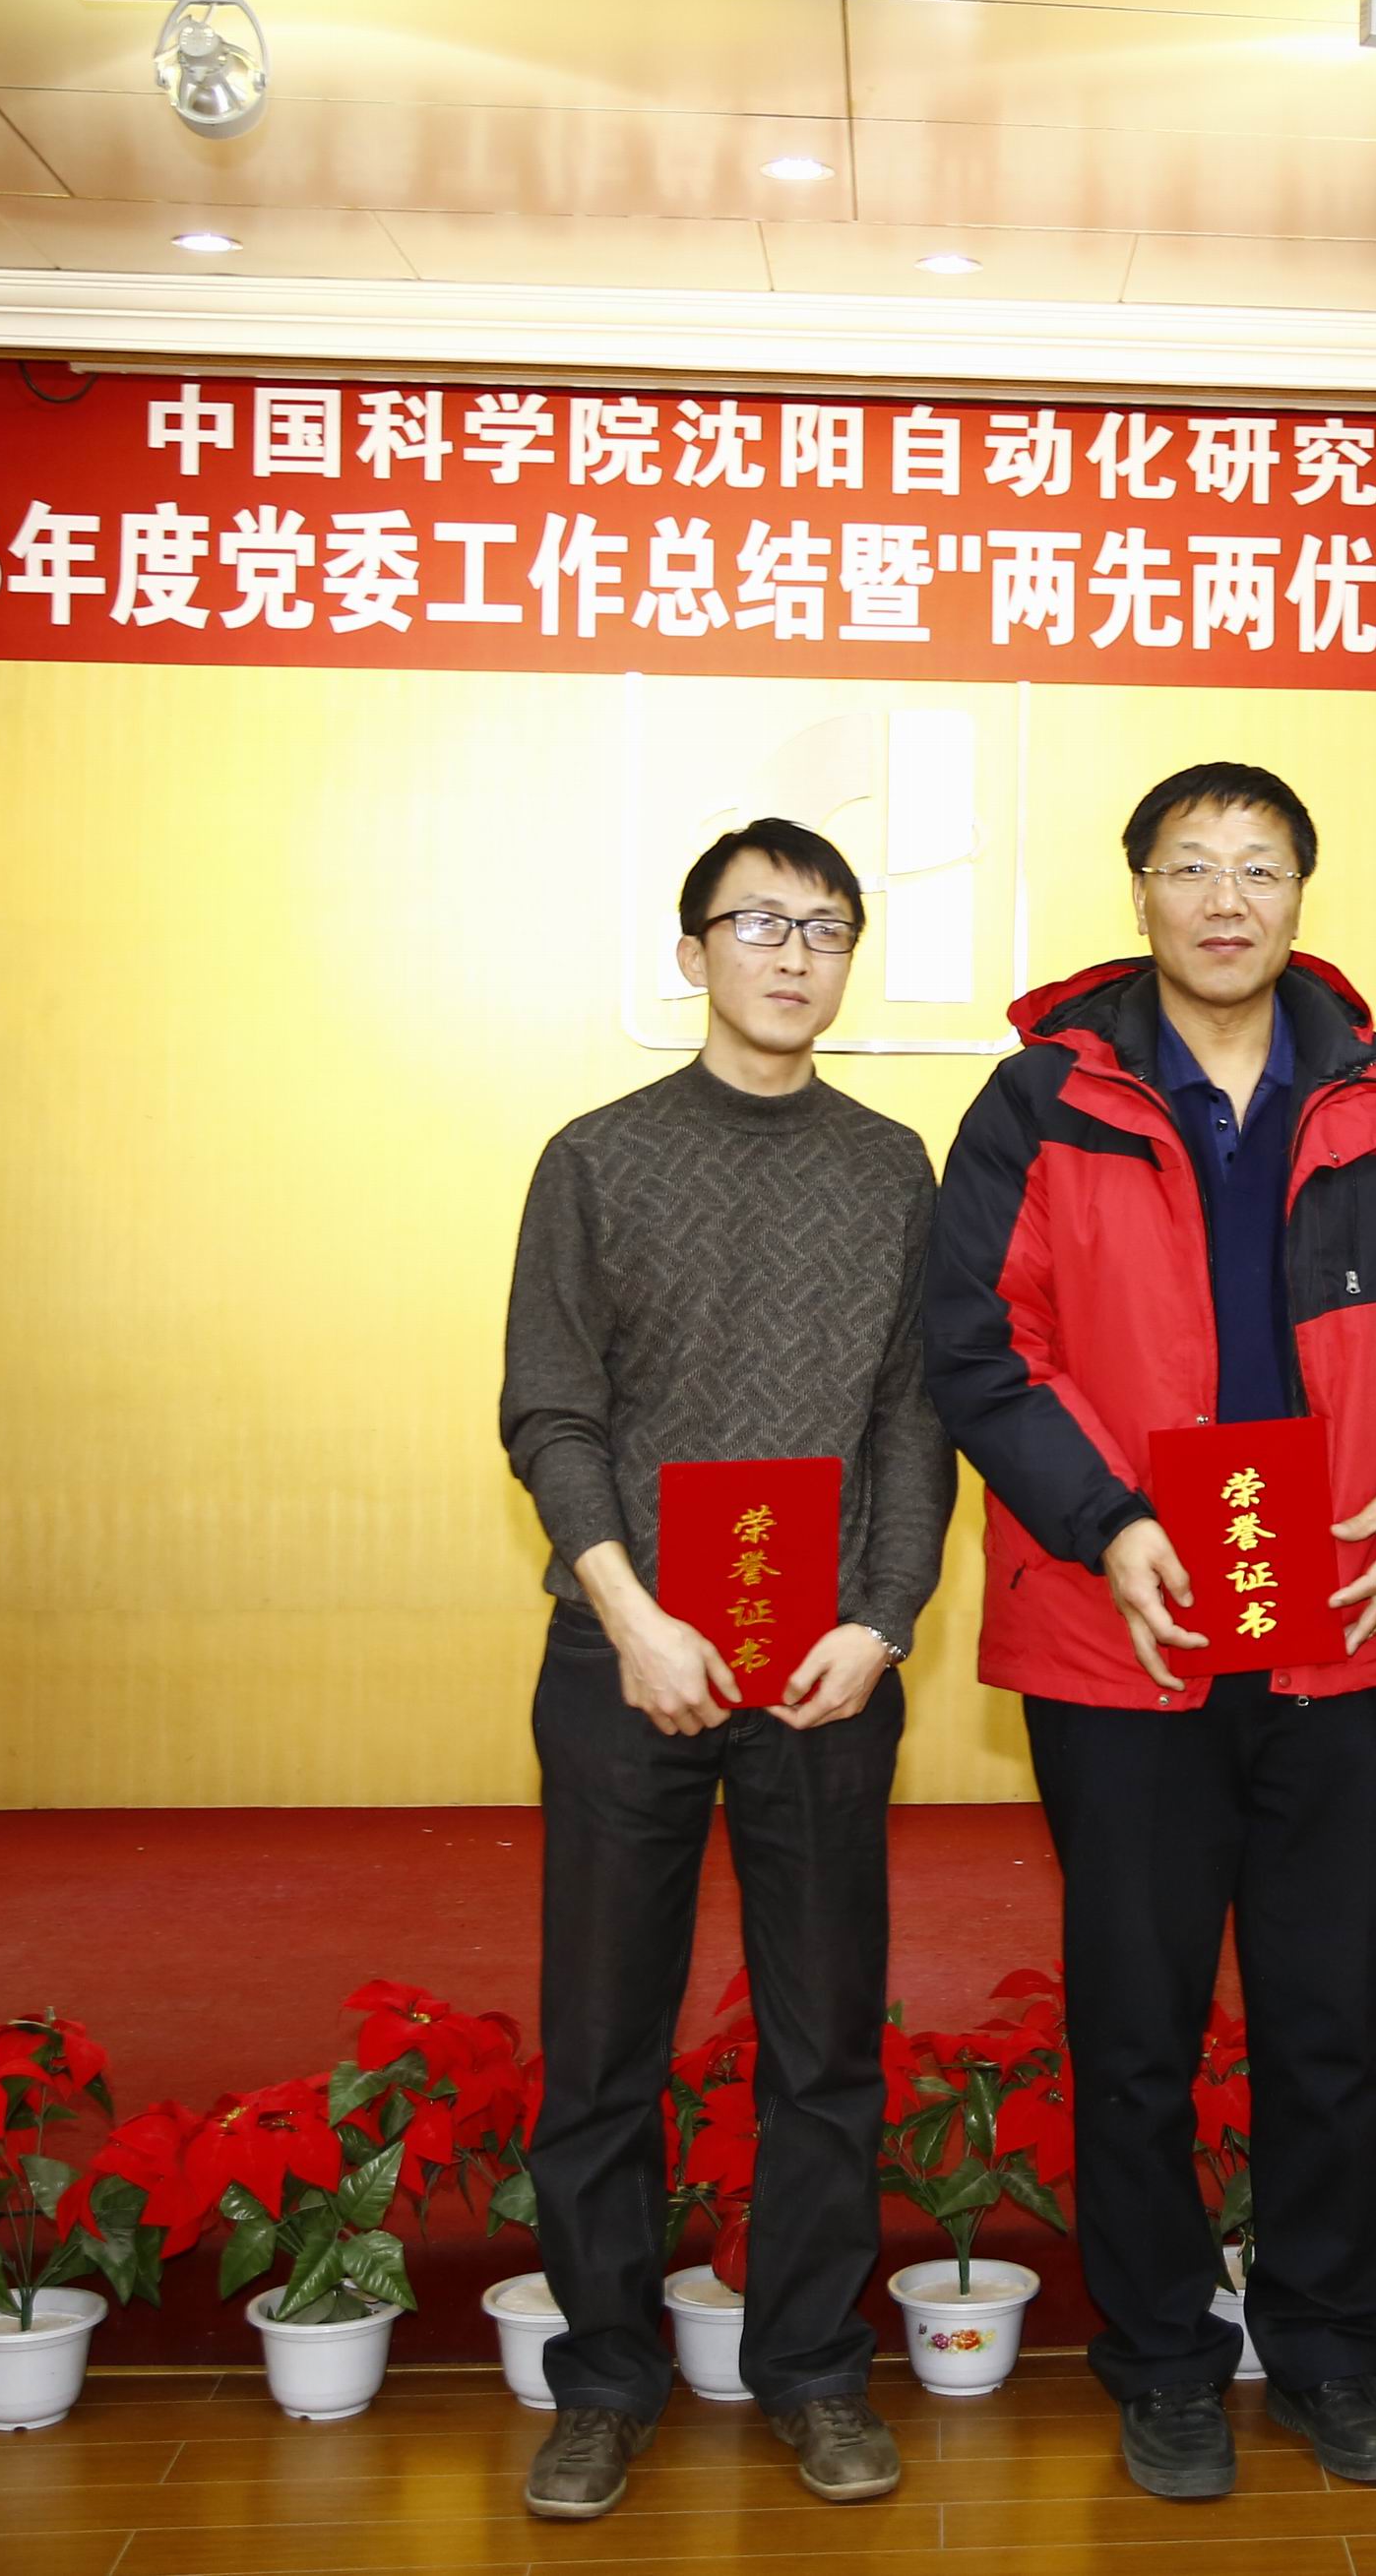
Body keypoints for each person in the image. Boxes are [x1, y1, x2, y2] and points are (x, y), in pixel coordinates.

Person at [924, 762, 1376, 2504]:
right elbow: (980, 1347)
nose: (1225, 899)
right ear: (1140, 894)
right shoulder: (1044, 1099)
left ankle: (1325, 2351)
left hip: (1334, 1626)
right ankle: (1162, 2358)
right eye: (1190, 867)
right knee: (1136, 2031)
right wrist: (1109, 1522)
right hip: (1127, 1633)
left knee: (1324, 2023)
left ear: (1302, 893)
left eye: (1258, 867)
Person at [498, 817, 956, 2522]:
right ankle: (604, 2382)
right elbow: (552, 1413)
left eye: (824, 927)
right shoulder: (597, 1157)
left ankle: (815, 2372)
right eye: (757, 923)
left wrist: (881, 1621)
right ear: (691, 952)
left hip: (821, 1666)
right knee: (601, 2041)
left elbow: (912, 1419)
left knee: (824, 2043)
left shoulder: (890, 1166)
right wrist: (631, 1618)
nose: (792, 954)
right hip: (624, 1654)